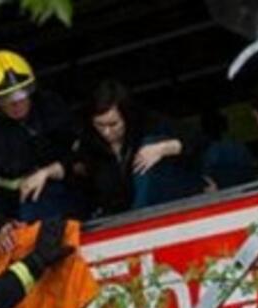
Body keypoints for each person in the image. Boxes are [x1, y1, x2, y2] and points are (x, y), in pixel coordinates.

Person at [0, 49, 81, 249]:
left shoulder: (51, 107)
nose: (17, 103)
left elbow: (86, 151)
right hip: (18, 220)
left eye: (22, 93)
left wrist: (51, 170)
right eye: (6, 99)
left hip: (74, 204)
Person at [74, 79, 212, 217]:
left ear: (127, 116)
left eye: (113, 124)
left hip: (171, 203)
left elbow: (198, 139)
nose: (107, 132)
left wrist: (163, 148)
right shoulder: (89, 143)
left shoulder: (147, 123)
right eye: (100, 125)